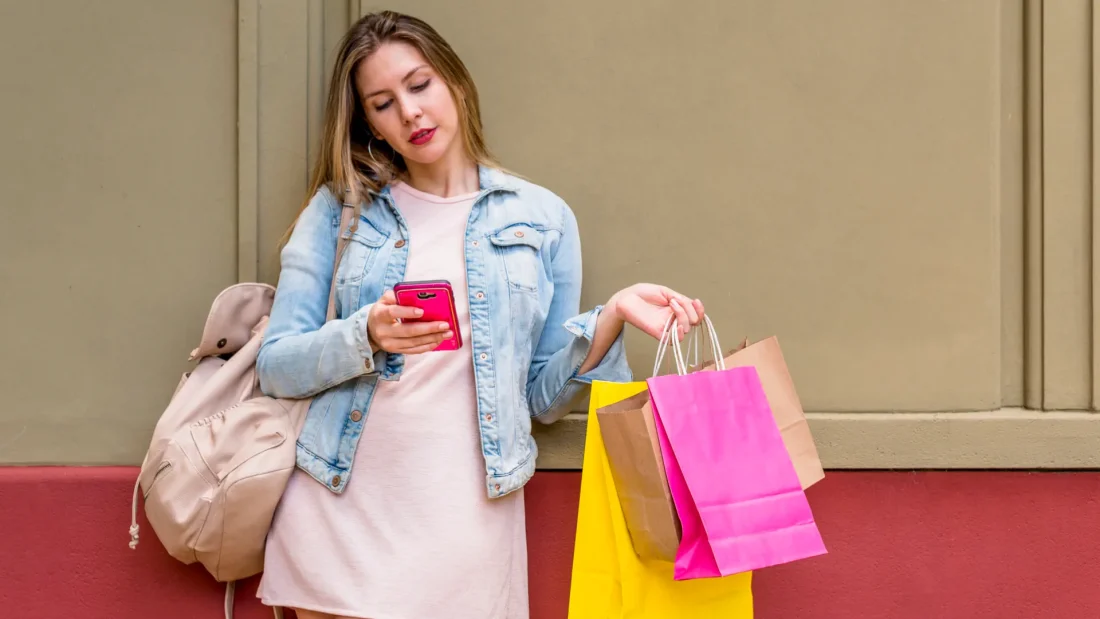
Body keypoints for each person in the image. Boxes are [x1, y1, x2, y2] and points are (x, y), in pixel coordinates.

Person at [254, 10, 706, 619]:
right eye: (383, 103)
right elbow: (276, 367)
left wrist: (614, 315)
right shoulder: (340, 213)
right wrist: (367, 333)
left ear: (456, 84)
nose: (410, 113)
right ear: (371, 126)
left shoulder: (544, 219)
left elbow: (543, 400)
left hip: (469, 524)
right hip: (341, 517)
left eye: (419, 85)